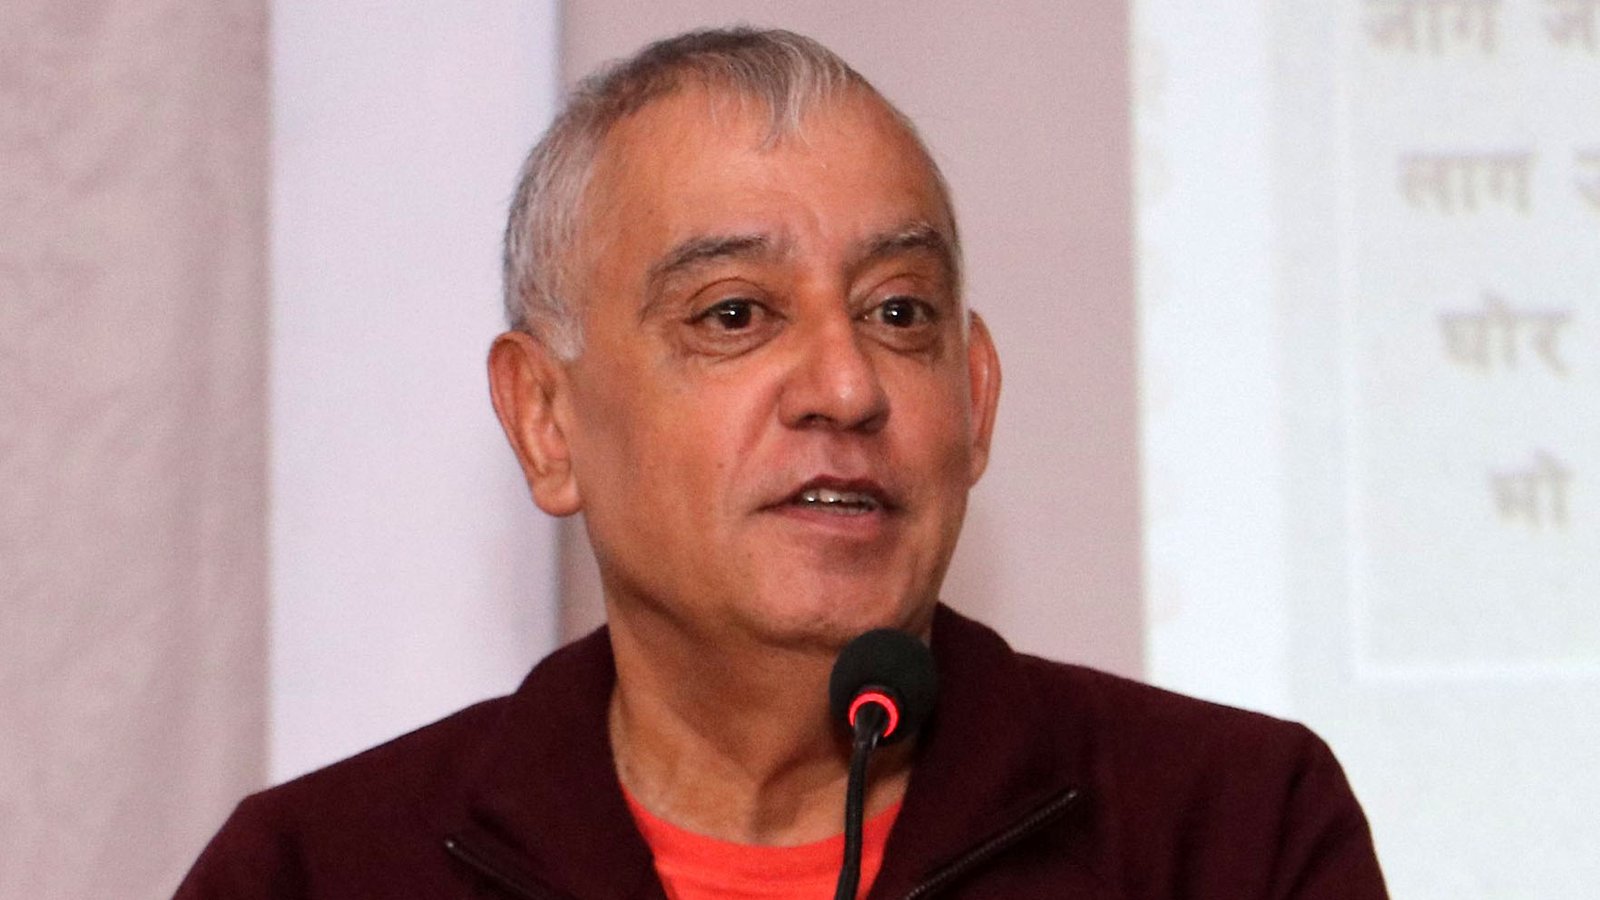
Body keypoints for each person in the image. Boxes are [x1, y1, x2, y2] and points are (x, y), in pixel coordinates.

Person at [175, 27, 1387, 899]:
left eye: (899, 313)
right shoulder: (320, 871)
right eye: (736, 314)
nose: (847, 389)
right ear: (546, 419)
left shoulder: (1230, 833)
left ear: (975, 399)